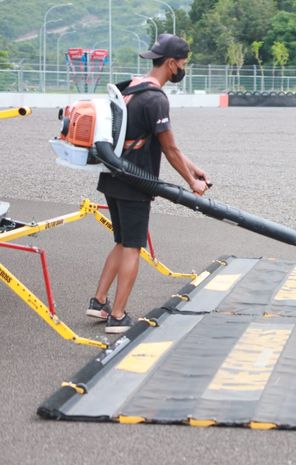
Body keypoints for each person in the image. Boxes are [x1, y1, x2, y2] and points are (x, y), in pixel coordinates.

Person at [86, 34, 210, 334]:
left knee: (121, 241)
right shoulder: (156, 99)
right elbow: (169, 149)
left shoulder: (130, 89)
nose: (183, 68)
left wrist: (195, 170)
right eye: (183, 64)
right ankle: (118, 315)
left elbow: (168, 146)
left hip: (113, 179)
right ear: (171, 64)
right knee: (133, 247)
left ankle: (99, 302)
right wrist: (192, 183)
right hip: (135, 184)